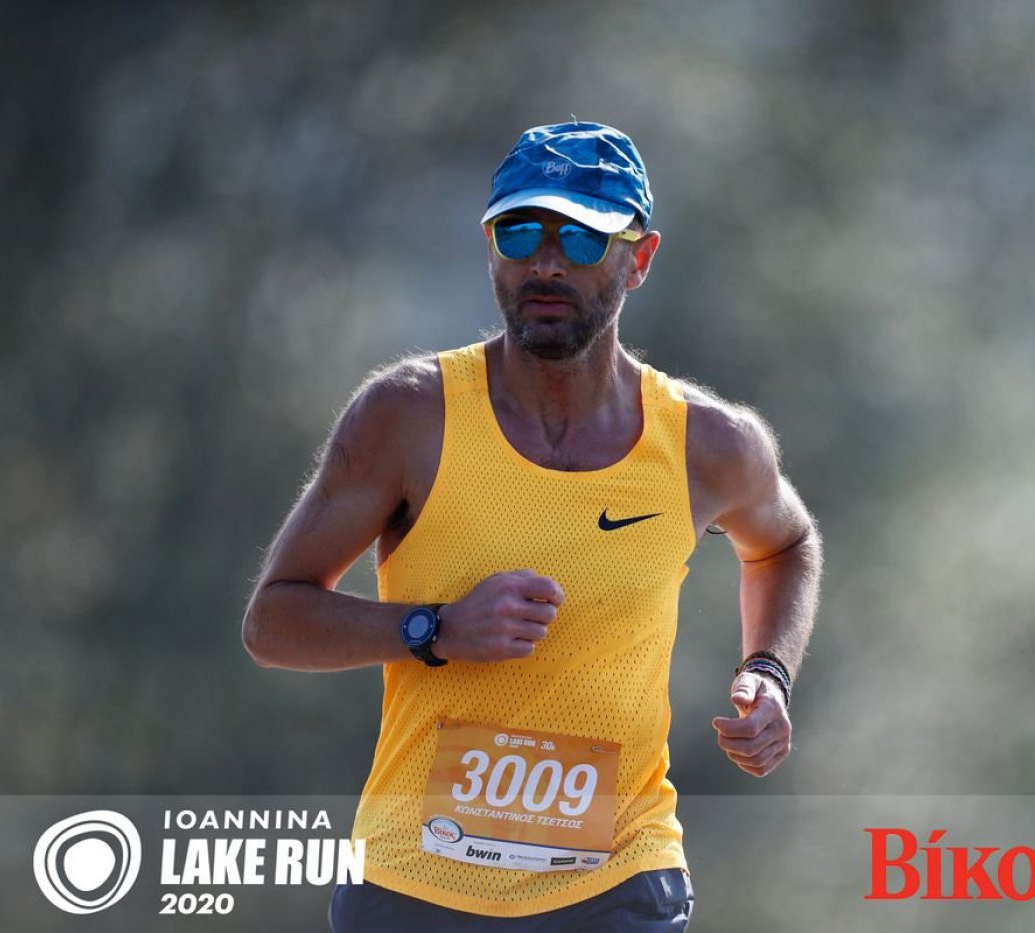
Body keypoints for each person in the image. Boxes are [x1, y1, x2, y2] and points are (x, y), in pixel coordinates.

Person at [242, 121, 823, 932]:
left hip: (618, 879)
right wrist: (435, 628)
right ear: (490, 248)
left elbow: (787, 544)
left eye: (580, 238)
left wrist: (769, 670)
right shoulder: (408, 416)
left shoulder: (708, 444)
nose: (545, 263)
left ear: (639, 259)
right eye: (519, 233)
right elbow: (274, 620)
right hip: (416, 881)